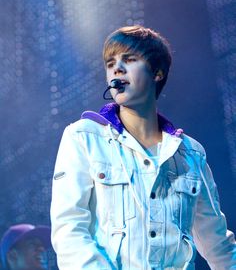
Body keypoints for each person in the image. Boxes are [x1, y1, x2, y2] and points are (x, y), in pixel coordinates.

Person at [50, 25, 236, 269]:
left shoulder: (190, 153)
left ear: (157, 72)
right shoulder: (84, 137)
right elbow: (69, 231)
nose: (116, 68)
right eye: (110, 63)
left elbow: (218, 244)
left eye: (129, 59)